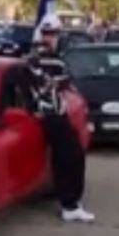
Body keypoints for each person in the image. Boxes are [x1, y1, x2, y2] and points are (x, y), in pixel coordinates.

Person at [26, 15, 95, 223]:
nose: (51, 37)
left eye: (54, 33)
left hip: (51, 113)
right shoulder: (46, 58)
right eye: (49, 33)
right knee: (72, 156)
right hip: (51, 114)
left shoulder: (36, 56)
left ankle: (70, 202)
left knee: (65, 157)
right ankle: (70, 204)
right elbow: (62, 81)